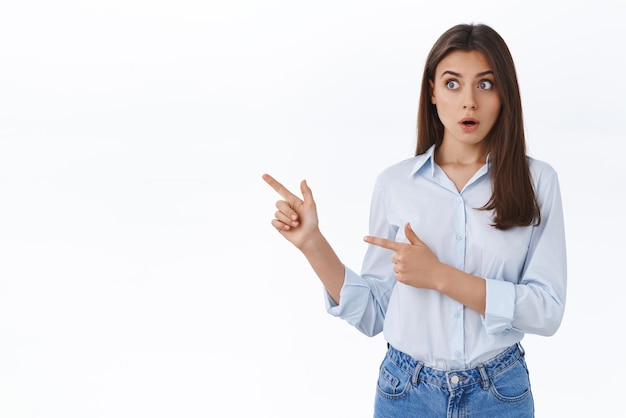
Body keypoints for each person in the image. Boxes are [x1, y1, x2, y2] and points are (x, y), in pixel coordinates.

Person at [263, 23, 566, 417]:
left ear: (505, 93)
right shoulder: (395, 185)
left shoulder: (537, 182)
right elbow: (375, 313)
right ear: (433, 92)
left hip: (500, 394)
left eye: (486, 84)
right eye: (453, 84)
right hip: (407, 393)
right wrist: (312, 243)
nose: (469, 102)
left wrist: (440, 276)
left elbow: (546, 310)